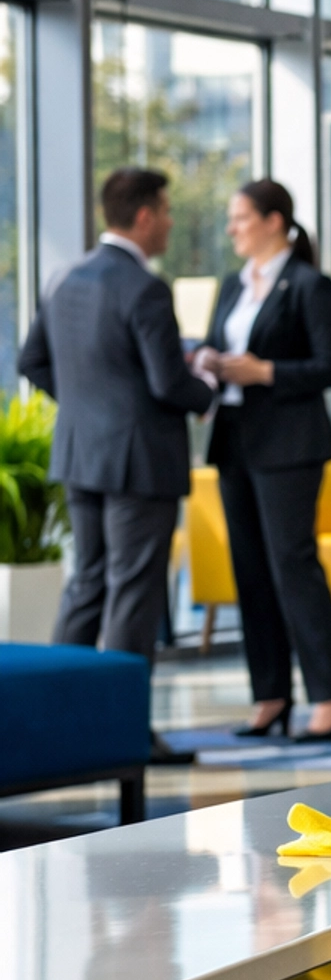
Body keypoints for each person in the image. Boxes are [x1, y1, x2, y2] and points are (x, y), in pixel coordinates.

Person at [19, 166, 217, 761]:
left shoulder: (64, 276)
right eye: (167, 209)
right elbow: (167, 383)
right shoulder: (144, 287)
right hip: (139, 463)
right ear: (145, 215)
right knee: (134, 594)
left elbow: (33, 361)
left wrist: (89, 408)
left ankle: (52, 723)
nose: (172, 221)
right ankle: (126, 732)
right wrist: (205, 385)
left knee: (86, 587)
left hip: (82, 454)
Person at [193, 180, 331, 742]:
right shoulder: (234, 287)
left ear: (273, 220)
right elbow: (218, 344)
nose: (232, 228)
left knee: (293, 567)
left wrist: (265, 372)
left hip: (289, 445)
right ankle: (271, 695)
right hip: (235, 440)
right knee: (250, 571)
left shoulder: (309, 285)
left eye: (241, 218)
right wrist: (210, 362)